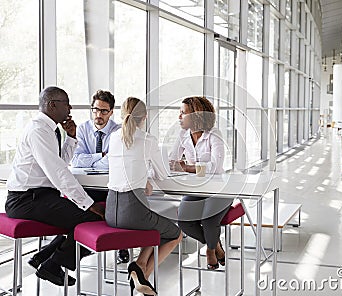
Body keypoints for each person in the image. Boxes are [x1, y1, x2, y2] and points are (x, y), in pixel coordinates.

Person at [5, 86, 104, 286]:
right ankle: (52, 265)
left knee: (83, 218)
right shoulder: (39, 130)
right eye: (66, 103)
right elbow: (58, 173)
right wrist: (87, 203)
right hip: (26, 200)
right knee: (92, 219)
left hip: (38, 197)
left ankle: (44, 258)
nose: (70, 108)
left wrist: (72, 137)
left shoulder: (48, 129)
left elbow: (60, 162)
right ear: (52, 105)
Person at [105, 97, 182, 295]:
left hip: (111, 211)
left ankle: (139, 267)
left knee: (154, 226)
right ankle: (142, 274)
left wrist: (143, 179)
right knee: (175, 234)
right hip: (133, 211)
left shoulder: (113, 138)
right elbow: (163, 175)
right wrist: (146, 178)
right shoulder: (148, 140)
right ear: (145, 117)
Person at [169, 96, 232, 270]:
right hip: (197, 189)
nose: (179, 116)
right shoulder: (183, 135)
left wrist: (188, 168)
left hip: (221, 189)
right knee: (184, 221)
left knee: (209, 219)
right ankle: (215, 244)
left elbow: (215, 166)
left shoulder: (214, 134)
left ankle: (210, 250)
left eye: (183, 113)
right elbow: (172, 161)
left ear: (196, 115)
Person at [71, 90, 129, 263]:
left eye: (104, 111)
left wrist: (95, 160)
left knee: (118, 204)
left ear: (111, 112)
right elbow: (75, 161)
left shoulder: (118, 131)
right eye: (95, 110)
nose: (98, 114)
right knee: (78, 205)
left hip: (111, 186)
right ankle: (83, 244)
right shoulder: (82, 129)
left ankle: (121, 245)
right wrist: (101, 156)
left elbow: (114, 162)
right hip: (88, 186)